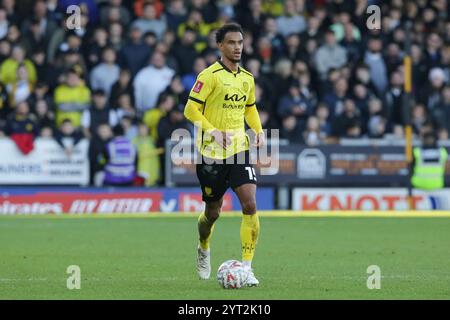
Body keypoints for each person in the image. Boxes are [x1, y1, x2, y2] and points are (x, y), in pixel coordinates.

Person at [183, 23, 265, 286]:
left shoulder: (247, 79)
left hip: (239, 150)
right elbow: (190, 110)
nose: (237, 47)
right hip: (211, 155)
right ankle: (203, 245)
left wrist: (259, 130)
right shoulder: (209, 76)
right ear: (220, 45)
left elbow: (249, 108)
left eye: (240, 42)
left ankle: (248, 268)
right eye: (231, 42)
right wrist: (213, 130)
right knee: (212, 213)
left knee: (250, 204)